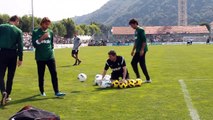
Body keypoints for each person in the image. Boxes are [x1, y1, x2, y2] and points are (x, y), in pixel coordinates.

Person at [32, 17, 65, 97]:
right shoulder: (36, 32)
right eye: (46, 24)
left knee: (54, 74)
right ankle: (42, 91)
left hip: (50, 57)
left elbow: (51, 44)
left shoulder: (50, 32)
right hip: (40, 58)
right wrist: (42, 38)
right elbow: (34, 44)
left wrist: (51, 51)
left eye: (48, 24)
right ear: (42, 23)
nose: (47, 26)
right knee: (41, 75)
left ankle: (56, 92)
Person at [0, 15, 23, 106]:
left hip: (2, 52)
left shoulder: (1, 27)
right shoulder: (18, 31)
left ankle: (3, 91)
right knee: (10, 75)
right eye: (18, 22)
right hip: (13, 54)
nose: (18, 23)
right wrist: (20, 58)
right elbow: (20, 46)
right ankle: (8, 95)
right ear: (16, 20)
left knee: (0, 74)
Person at [129, 19, 151, 83]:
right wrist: (133, 50)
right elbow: (136, 42)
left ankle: (139, 78)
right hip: (138, 50)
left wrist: (142, 50)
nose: (131, 27)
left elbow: (144, 41)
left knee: (134, 63)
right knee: (141, 64)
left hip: (141, 50)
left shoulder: (141, 30)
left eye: (132, 25)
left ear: (135, 23)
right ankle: (147, 79)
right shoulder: (136, 31)